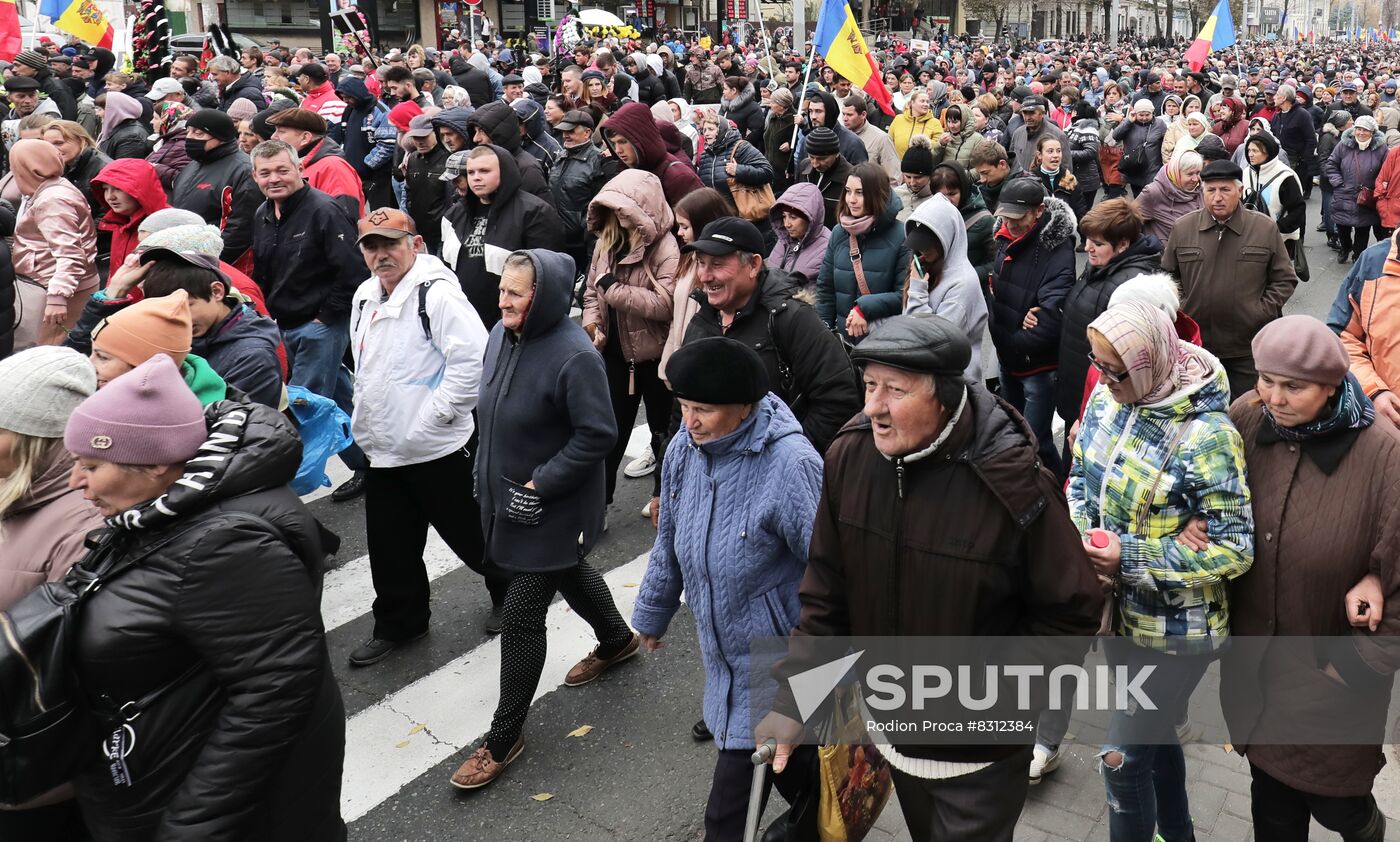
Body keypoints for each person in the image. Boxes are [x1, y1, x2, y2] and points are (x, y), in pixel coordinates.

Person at [755, 314, 1104, 840]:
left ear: (945, 397)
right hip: (892, 739)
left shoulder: (1013, 483)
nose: (873, 407)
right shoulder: (850, 457)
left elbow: (1071, 611)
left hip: (980, 759)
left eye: (895, 390)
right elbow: (827, 591)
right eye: (870, 385)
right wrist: (796, 698)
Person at [62, 354, 346, 840]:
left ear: (153, 463)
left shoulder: (223, 545)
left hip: (250, 816)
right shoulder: (167, 510)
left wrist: (193, 825)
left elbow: (273, 692)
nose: (75, 482)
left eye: (90, 465)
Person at [1069, 300, 1253, 842]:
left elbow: (1235, 549)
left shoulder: (1208, 435)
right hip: (1120, 620)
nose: (1103, 379)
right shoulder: (1108, 399)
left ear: (1149, 362)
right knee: (1156, 743)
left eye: (1115, 369)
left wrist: (1130, 555)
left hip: (1178, 635)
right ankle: (1179, 833)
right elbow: (1079, 479)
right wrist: (1086, 537)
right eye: (1097, 364)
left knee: (1121, 762)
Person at [455, 248, 640, 790]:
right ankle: (616, 639)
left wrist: (542, 482)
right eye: (502, 291)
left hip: (552, 505)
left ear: (546, 298)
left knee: (520, 614)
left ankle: (503, 735)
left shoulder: (574, 355)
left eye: (516, 293)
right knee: (566, 571)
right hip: (507, 496)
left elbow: (598, 435)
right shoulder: (500, 333)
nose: (503, 301)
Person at [1206, 315, 1394, 842]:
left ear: (1332, 387)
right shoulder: (1245, 417)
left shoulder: (1383, 454)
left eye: (1294, 386)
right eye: (1266, 379)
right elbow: (1209, 486)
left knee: (1337, 807)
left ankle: (1367, 827)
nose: (1274, 397)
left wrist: (1355, 665)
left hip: (1330, 680)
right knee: (1272, 809)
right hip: (1254, 672)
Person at [632, 336, 822, 840]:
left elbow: (833, 572)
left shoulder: (791, 465)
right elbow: (670, 535)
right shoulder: (683, 450)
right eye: (684, 407)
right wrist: (653, 610)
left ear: (744, 408)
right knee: (809, 782)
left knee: (726, 819)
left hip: (780, 664)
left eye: (704, 410)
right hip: (725, 661)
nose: (690, 421)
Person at [344, 209, 510, 663]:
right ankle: (401, 623)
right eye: (371, 246)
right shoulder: (364, 295)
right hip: (384, 450)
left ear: (415, 245)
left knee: (474, 534)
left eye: (390, 244)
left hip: (437, 447)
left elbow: (472, 364)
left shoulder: (437, 297)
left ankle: (513, 596)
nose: (381, 255)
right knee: (390, 545)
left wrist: (432, 420)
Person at [677, 217, 862, 454]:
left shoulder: (792, 319)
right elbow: (681, 406)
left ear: (754, 265)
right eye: (701, 263)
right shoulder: (701, 322)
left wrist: (780, 459)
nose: (704, 276)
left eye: (717, 264)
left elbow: (839, 399)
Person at [250, 139, 369, 498]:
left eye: (282, 170)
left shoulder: (324, 210)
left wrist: (325, 318)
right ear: (255, 176)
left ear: (300, 169)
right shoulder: (264, 213)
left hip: (320, 326)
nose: (274, 179)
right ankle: (372, 464)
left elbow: (352, 270)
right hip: (283, 324)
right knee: (339, 397)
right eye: (265, 173)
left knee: (305, 407)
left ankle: (293, 490)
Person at [580, 169, 678, 511]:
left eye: (624, 211)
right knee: (607, 433)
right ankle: (598, 506)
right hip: (615, 356)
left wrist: (613, 289)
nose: (619, 218)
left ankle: (661, 500)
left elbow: (666, 305)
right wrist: (594, 325)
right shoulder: (605, 244)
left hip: (656, 358)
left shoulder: (666, 247)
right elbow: (592, 292)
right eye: (613, 211)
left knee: (662, 432)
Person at [1162, 160, 1299, 398]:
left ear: (1239, 190)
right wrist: (1183, 310)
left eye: (1225, 190)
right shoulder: (1183, 228)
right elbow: (1167, 278)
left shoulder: (1263, 228)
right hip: (1196, 348)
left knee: (1246, 413)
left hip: (1246, 349)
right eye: (1210, 190)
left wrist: (1259, 311)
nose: (1217, 197)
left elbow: (1285, 279)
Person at [988, 178, 1076, 476]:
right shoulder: (1003, 237)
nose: (1010, 224)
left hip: (1036, 367)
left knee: (1036, 441)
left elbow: (1049, 318)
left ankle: (1052, 493)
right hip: (1008, 357)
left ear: (1038, 212)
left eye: (1017, 218)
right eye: (1005, 217)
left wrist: (1013, 339)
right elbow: (997, 291)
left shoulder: (1057, 249)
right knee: (1012, 433)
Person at [1055, 198, 1162, 437]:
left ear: (1123, 245)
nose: (1088, 248)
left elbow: (1125, 364)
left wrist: (1086, 414)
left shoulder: (1132, 286)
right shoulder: (1102, 264)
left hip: (1100, 401)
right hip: (1078, 386)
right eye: (1088, 239)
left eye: (1098, 243)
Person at [442, 146, 562, 329]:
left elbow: (548, 279)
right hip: (462, 320)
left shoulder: (534, 212)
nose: (476, 177)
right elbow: (445, 267)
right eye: (471, 172)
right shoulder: (454, 214)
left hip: (511, 323)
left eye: (484, 171)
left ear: (504, 172)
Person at [9, 138, 98, 350]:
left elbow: (71, 255)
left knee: (45, 351)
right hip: (56, 284)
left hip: (56, 289)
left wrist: (57, 298)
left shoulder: (52, 200)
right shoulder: (54, 186)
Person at [817, 162, 909, 343]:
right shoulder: (839, 232)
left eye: (860, 192)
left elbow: (904, 296)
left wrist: (863, 308)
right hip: (842, 342)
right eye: (848, 191)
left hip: (881, 342)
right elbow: (826, 289)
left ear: (877, 194)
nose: (851, 199)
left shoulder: (901, 236)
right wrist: (823, 332)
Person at [900, 193, 989, 380]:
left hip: (954, 385)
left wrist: (916, 290)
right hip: (929, 381)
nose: (921, 251)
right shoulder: (928, 268)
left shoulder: (963, 283)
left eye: (927, 245)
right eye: (917, 245)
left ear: (945, 239)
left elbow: (934, 344)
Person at [172, 109, 261, 269]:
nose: (190, 138)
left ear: (220, 137)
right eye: (189, 132)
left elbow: (240, 228)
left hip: (212, 264)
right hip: (183, 256)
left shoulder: (243, 170)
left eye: (198, 133)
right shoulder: (193, 165)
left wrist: (209, 262)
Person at [265, 107, 365, 219]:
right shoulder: (300, 162)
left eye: (281, 131)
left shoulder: (333, 167)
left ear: (305, 138)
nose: (273, 137)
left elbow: (343, 218)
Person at [601, 101, 705, 208]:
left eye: (623, 142)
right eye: (613, 143)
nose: (618, 150)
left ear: (639, 139)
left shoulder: (678, 176)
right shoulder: (625, 172)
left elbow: (701, 220)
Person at [1323, 115, 1390, 264]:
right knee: (1342, 226)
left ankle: (1358, 255)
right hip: (1344, 193)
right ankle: (1345, 248)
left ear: (1372, 132)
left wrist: (1377, 189)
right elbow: (1331, 164)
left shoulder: (1381, 149)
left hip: (1367, 196)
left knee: (1363, 228)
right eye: (1358, 129)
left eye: (1365, 130)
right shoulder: (1343, 145)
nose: (1360, 133)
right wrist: (1338, 183)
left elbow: (1386, 172)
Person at [465, 101, 552, 202]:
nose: (476, 139)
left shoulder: (527, 168)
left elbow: (537, 212)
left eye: (482, 131)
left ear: (501, 133)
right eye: (475, 132)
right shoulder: (492, 161)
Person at [927, 160, 997, 286]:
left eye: (952, 194)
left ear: (963, 190)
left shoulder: (984, 221)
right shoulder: (929, 214)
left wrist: (967, 277)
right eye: (941, 196)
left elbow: (997, 262)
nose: (947, 200)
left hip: (966, 291)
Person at [90, 157, 169, 269]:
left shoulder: (166, 226)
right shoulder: (119, 222)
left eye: (118, 189)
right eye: (105, 189)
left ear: (142, 188)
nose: (110, 197)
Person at [1242, 132, 1305, 260]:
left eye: (1255, 150)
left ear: (1268, 152)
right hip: (1251, 237)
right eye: (1249, 150)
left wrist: (1277, 228)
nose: (1250, 154)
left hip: (1280, 240)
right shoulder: (1246, 172)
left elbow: (1298, 210)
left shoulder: (1285, 177)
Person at [695, 108, 774, 210]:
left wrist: (739, 170)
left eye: (711, 129)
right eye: (704, 130)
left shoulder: (741, 147)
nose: (706, 133)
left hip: (742, 213)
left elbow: (767, 172)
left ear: (721, 130)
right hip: (717, 214)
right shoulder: (705, 155)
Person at [766, 181, 830, 290]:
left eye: (793, 217)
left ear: (810, 217)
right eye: (784, 216)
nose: (787, 224)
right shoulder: (784, 240)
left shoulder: (827, 247)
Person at [1135, 148, 1205, 245]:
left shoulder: (1202, 190)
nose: (1195, 179)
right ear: (1175, 172)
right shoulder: (1154, 192)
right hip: (1167, 256)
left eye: (1198, 173)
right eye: (1190, 174)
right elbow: (1129, 223)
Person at [1112, 99, 1166, 196]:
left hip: (1153, 169)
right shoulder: (1129, 122)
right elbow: (1115, 136)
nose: (1144, 118)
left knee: (1153, 200)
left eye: (1147, 115)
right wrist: (1128, 122)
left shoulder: (1160, 124)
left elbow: (1166, 142)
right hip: (1134, 168)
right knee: (1139, 201)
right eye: (1141, 115)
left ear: (1152, 113)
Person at [843, 94, 900, 181]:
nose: (845, 118)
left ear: (863, 114)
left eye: (849, 115)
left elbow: (893, 177)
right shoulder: (840, 136)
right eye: (843, 114)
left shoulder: (882, 139)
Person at [1008, 95, 1066, 175]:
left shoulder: (1057, 135)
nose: (1028, 117)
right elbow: (1012, 162)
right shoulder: (1018, 133)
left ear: (1042, 113)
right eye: (1025, 113)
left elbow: (1066, 169)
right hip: (1020, 184)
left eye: (1032, 113)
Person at [146, 101, 193, 196]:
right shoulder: (170, 139)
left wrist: (154, 168)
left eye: (155, 118)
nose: (151, 122)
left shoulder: (183, 145)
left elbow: (183, 180)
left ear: (168, 120)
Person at [928, 102, 987, 171]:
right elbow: (932, 162)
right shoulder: (945, 137)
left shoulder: (978, 139)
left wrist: (965, 176)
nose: (951, 126)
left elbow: (981, 166)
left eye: (955, 122)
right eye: (948, 121)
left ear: (964, 121)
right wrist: (940, 145)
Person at [95, 91, 151, 160]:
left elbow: (123, 168)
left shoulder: (131, 137)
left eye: (100, 109)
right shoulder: (115, 129)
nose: (97, 113)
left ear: (115, 111)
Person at [888, 88, 940, 157]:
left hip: (921, 165)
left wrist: (925, 143)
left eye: (927, 102)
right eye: (922, 101)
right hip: (897, 165)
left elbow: (938, 146)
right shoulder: (898, 119)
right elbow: (889, 141)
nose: (926, 104)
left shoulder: (935, 122)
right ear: (912, 102)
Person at [893, 135, 935, 221]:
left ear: (929, 175)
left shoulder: (936, 199)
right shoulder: (895, 195)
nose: (912, 183)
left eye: (918, 177)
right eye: (908, 177)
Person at [970, 140, 1013, 212]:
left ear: (1002, 164)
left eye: (985, 173)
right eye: (979, 174)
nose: (982, 179)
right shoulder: (979, 189)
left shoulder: (1025, 188)